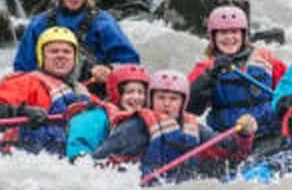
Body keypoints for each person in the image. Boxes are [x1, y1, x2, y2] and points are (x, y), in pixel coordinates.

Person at [92, 69, 258, 184]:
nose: (166, 104)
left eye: (173, 99)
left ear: (182, 102)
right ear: (151, 100)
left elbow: (232, 151)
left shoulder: (194, 128)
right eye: (161, 98)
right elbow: (98, 162)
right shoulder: (134, 127)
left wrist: (245, 135)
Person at [12, 0, 140, 90]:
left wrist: (109, 71)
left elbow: (131, 65)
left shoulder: (103, 24)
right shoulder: (39, 24)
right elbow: (22, 69)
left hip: (93, 92)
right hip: (48, 92)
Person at [0, 26, 91, 155]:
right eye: (54, 51)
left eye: (67, 52)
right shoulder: (25, 82)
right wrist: (23, 111)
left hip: (68, 156)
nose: (61, 56)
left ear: (74, 58)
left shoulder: (81, 91)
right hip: (25, 157)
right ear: (42, 56)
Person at [187, 5, 286, 145]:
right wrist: (210, 76)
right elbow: (190, 108)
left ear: (243, 35)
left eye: (234, 32)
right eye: (223, 33)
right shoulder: (206, 68)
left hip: (270, 135)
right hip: (230, 141)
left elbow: (289, 91)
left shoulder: (266, 60)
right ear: (213, 37)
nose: (229, 37)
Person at [65, 64, 150, 160]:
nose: (136, 97)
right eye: (129, 92)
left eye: (141, 92)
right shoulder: (92, 118)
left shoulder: (146, 121)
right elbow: (79, 158)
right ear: (116, 93)